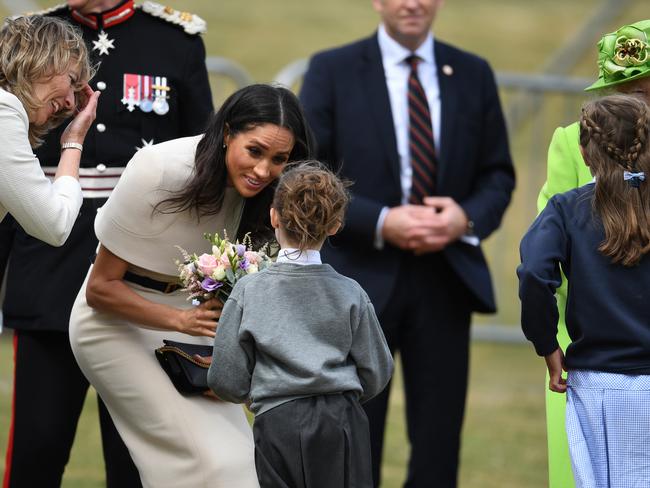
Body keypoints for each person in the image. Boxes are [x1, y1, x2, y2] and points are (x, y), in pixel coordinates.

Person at [299, 1, 515, 486]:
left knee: (439, 442)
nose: (412, 3)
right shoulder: (332, 70)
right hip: (356, 284)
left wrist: (465, 217)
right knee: (354, 435)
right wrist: (380, 220)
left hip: (446, 279)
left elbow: (498, 173)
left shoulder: (473, 73)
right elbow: (309, 173)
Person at [0, 1, 213, 486]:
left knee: (137, 459)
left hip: (141, 281)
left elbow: (201, 166)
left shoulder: (175, 41)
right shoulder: (34, 38)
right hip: (48, 272)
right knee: (37, 447)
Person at [67, 84, 314, 488]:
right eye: (255, 151)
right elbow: (100, 289)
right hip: (112, 323)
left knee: (244, 465)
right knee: (209, 467)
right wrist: (181, 321)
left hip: (194, 331)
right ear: (228, 132)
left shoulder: (269, 194)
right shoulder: (158, 168)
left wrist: (235, 361)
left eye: (280, 159)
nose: (264, 170)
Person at [208, 162, 394, 488]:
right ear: (336, 225)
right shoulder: (351, 293)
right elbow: (377, 370)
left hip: (278, 420)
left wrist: (256, 393)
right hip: (342, 421)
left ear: (273, 216)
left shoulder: (248, 291)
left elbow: (226, 378)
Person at [536, 19, 650, 488]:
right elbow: (546, 255)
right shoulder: (572, 140)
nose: (632, 107)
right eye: (620, 92)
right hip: (593, 353)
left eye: (643, 92)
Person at [0, 15, 98, 246]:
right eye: (72, 80)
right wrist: (74, 142)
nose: (71, 104)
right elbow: (56, 225)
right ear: (41, 59)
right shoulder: (4, 109)